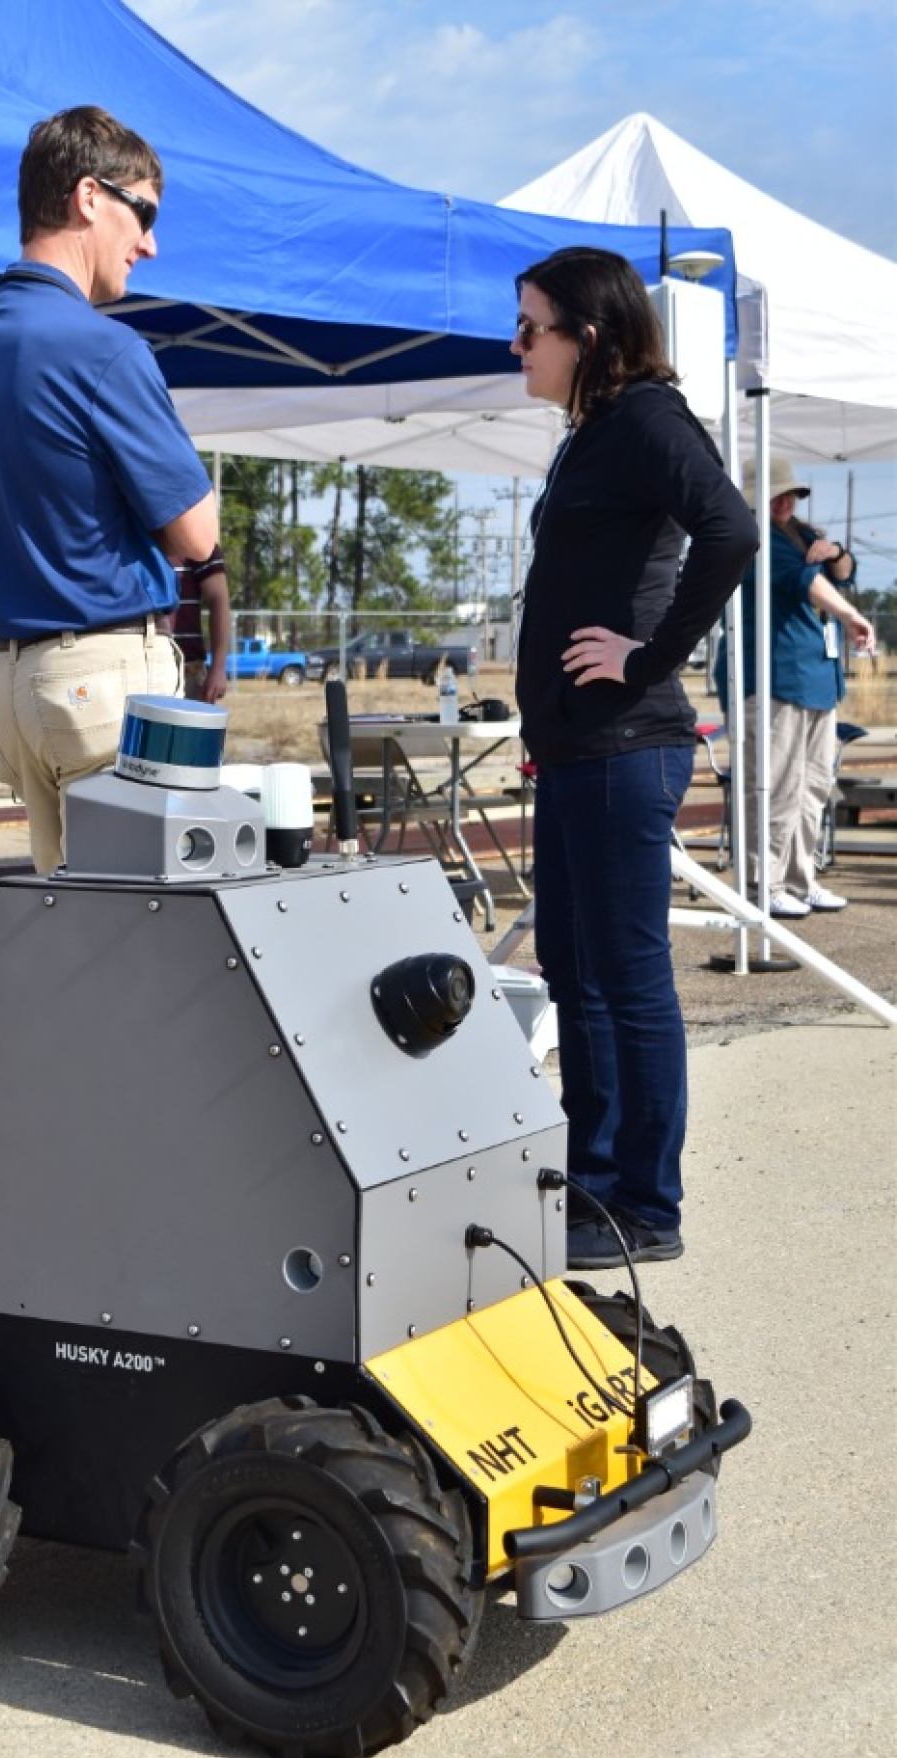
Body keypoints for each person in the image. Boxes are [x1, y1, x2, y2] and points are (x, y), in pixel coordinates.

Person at [510, 246, 758, 1271]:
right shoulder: (592, 433)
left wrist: (649, 656)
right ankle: (596, 1179)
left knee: (625, 973)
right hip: (574, 750)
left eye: (532, 327)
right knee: (574, 968)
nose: (516, 343)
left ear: (590, 335)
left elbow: (732, 530)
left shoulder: (650, 416)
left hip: (624, 746)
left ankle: (646, 1206)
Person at [0, 105, 219, 873]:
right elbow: (195, 535)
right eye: (144, 211)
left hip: (7, 684)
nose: (149, 243)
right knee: (153, 936)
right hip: (101, 675)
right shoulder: (106, 350)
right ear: (90, 197)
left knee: (79, 936)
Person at [715, 454, 875, 918]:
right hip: (773, 679)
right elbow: (809, 584)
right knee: (775, 786)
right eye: (776, 494)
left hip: (814, 681)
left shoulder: (803, 535)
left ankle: (800, 879)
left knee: (812, 787)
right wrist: (849, 615)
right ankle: (764, 882)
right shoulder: (751, 538)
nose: (786, 502)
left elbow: (841, 573)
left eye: (792, 494)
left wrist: (837, 552)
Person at [171, 547, 230, 703]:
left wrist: (218, 667)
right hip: (139, 667)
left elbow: (219, 598)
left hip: (188, 672)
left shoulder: (195, 537)